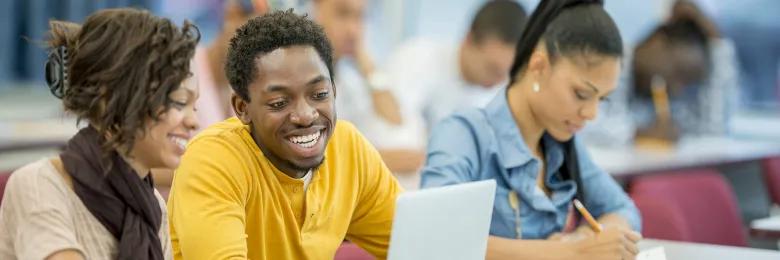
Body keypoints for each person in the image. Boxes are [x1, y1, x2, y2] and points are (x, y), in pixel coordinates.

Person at [167, 10, 403, 260]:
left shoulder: (347, 147)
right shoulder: (213, 160)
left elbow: (421, 242)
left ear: (334, 91)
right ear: (242, 108)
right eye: (279, 103)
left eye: (320, 94)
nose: (305, 115)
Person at [420, 1, 642, 259]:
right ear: (538, 67)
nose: (591, 114)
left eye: (601, 99)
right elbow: (435, 240)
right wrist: (568, 252)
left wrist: (586, 239)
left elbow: (623, 209)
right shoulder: (463, 135)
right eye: (581, 94)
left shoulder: (561, 145)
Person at [0, 8, 199, 260]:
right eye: (179, 102)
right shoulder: (40, 185)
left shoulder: (151, 206)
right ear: (111, 97)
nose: (194, 121)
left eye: (196, 105)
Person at [310, 0, 423, 181]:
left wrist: (365, 63)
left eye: (360, 17)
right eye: (343, 14)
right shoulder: (296, 73)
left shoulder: (349, 80)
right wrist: (383, 159)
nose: (353, 30)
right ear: (315, 9)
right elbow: (312, 155)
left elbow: (395, 120)